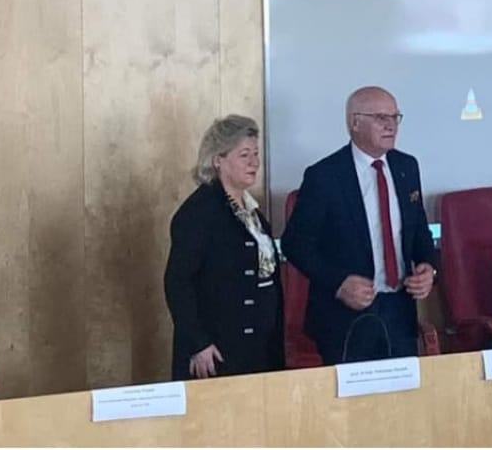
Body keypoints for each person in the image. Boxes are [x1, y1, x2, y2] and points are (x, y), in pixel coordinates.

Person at [282, 86, 436, 364]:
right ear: (355, 122)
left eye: (395, 117)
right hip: (345, 315)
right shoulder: (325, 175)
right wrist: (338, 283)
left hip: (399, 310)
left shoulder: (407, 167)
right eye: (381, 118)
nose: (391, 125)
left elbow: (419, 231)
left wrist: (428, 267)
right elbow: (295, 245)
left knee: (402, 389)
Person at [163, 114, 283, 379]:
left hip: (259, 347)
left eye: (256, 153)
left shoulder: (253, 213)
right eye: (244, 155)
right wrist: (198, 343)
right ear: (218, 160)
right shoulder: (199, 212)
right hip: (218, 349)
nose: (254, 162)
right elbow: (178, 283)